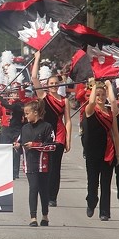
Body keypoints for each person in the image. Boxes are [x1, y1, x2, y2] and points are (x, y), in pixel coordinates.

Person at [31, 54, 72, 206]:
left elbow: (67, 120)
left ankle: (52, 197)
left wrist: (68, 141)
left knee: (55, 167)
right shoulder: (43, 96)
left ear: (59, 84)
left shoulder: (65, 100)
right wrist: (37, 58)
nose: (54, 85)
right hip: (44, 135)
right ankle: (44, 192)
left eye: (56, 83)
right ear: (47, 84)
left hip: (59, 135)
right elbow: (34, 77)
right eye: (51, 83)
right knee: (45, 166)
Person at [83, 79, 119, 221]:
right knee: (93, 182)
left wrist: (118, 152)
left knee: (106, 183)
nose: (100, 97)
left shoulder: (110, 112)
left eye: (102, 95)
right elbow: (91, 102)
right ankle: (91, 202)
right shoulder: (90, 110)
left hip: (108, 151)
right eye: (98, 95)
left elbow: (115, 133)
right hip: (92, 150)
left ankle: (105, 212)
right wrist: (94, 86)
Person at [16, 100, 56, 227]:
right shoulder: (24, 128)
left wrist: (35, 145)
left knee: (43, 190)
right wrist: (17, 146)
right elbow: (20, 144)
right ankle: (33, 217)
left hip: (44, 165)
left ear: (35, 112)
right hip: (30, 164)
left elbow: (52, 146)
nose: (26, 116)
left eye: (27, 113)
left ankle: (45, 215)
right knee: (33, 188)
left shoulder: (47, 127)